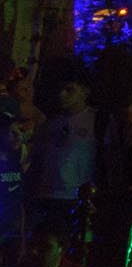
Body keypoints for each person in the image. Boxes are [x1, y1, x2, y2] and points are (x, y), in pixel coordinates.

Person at [26, 78, 99, 242]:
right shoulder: (51, 122)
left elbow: (110, 158)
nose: (62, 94)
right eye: (60, 89)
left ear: (85, 92)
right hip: (46, 194)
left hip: (75, 197)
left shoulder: (96, 121)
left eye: (69, 89)